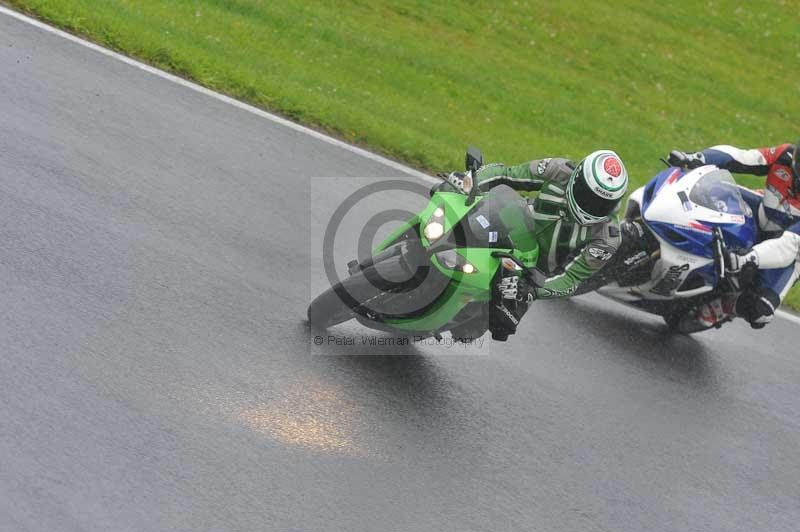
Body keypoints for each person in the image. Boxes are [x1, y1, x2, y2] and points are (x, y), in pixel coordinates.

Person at [441, 150, 629, 340]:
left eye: (601, 204)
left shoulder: (608, 238)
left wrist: (533, 289)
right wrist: (471, 181)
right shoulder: (558, 170)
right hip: (514, 225)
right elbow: (507, 174)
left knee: (488, 327)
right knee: (452, 203)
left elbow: (570, 280)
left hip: (530, 272)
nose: (590, 206)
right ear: (577, 178)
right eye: (587, 196)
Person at [668, 143, 800, 328]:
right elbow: (743, 156)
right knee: (706, 188)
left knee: (760, 311)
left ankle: (725, 306)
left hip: (790, 254)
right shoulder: (785, 155)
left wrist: (749, 258)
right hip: (763, 211)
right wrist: (698, 157)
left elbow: (788, 246)